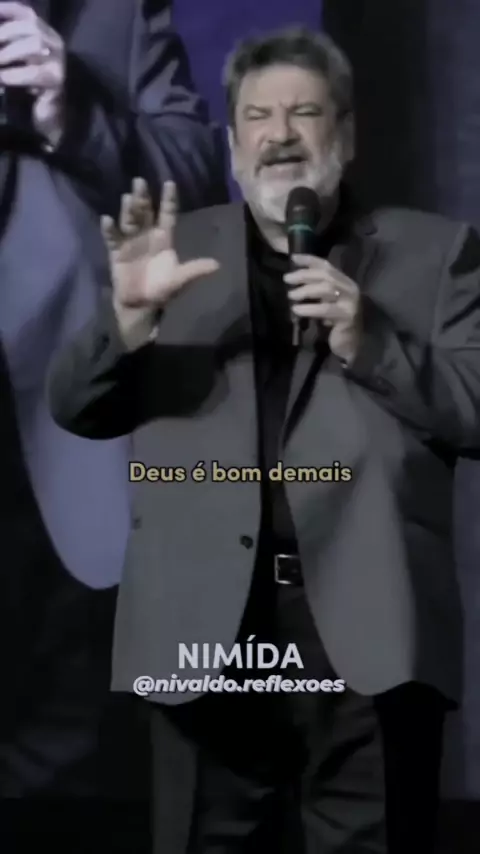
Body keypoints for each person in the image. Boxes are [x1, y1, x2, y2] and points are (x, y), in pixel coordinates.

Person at [47, 25, 480, 854]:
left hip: (367, 633)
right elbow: (74, 406)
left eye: (304, 112)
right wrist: (128, 318)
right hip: (203, 628)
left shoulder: (436, 254)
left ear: (345, 133)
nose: (280, 134)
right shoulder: (171, 254)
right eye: (257, 116)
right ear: (233, 142)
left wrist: (373, 341)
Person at [0, 0, 225, 800]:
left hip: (62, 439)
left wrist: (75, 113)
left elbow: (197, 175)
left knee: (71, 758)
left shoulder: (117, 10)